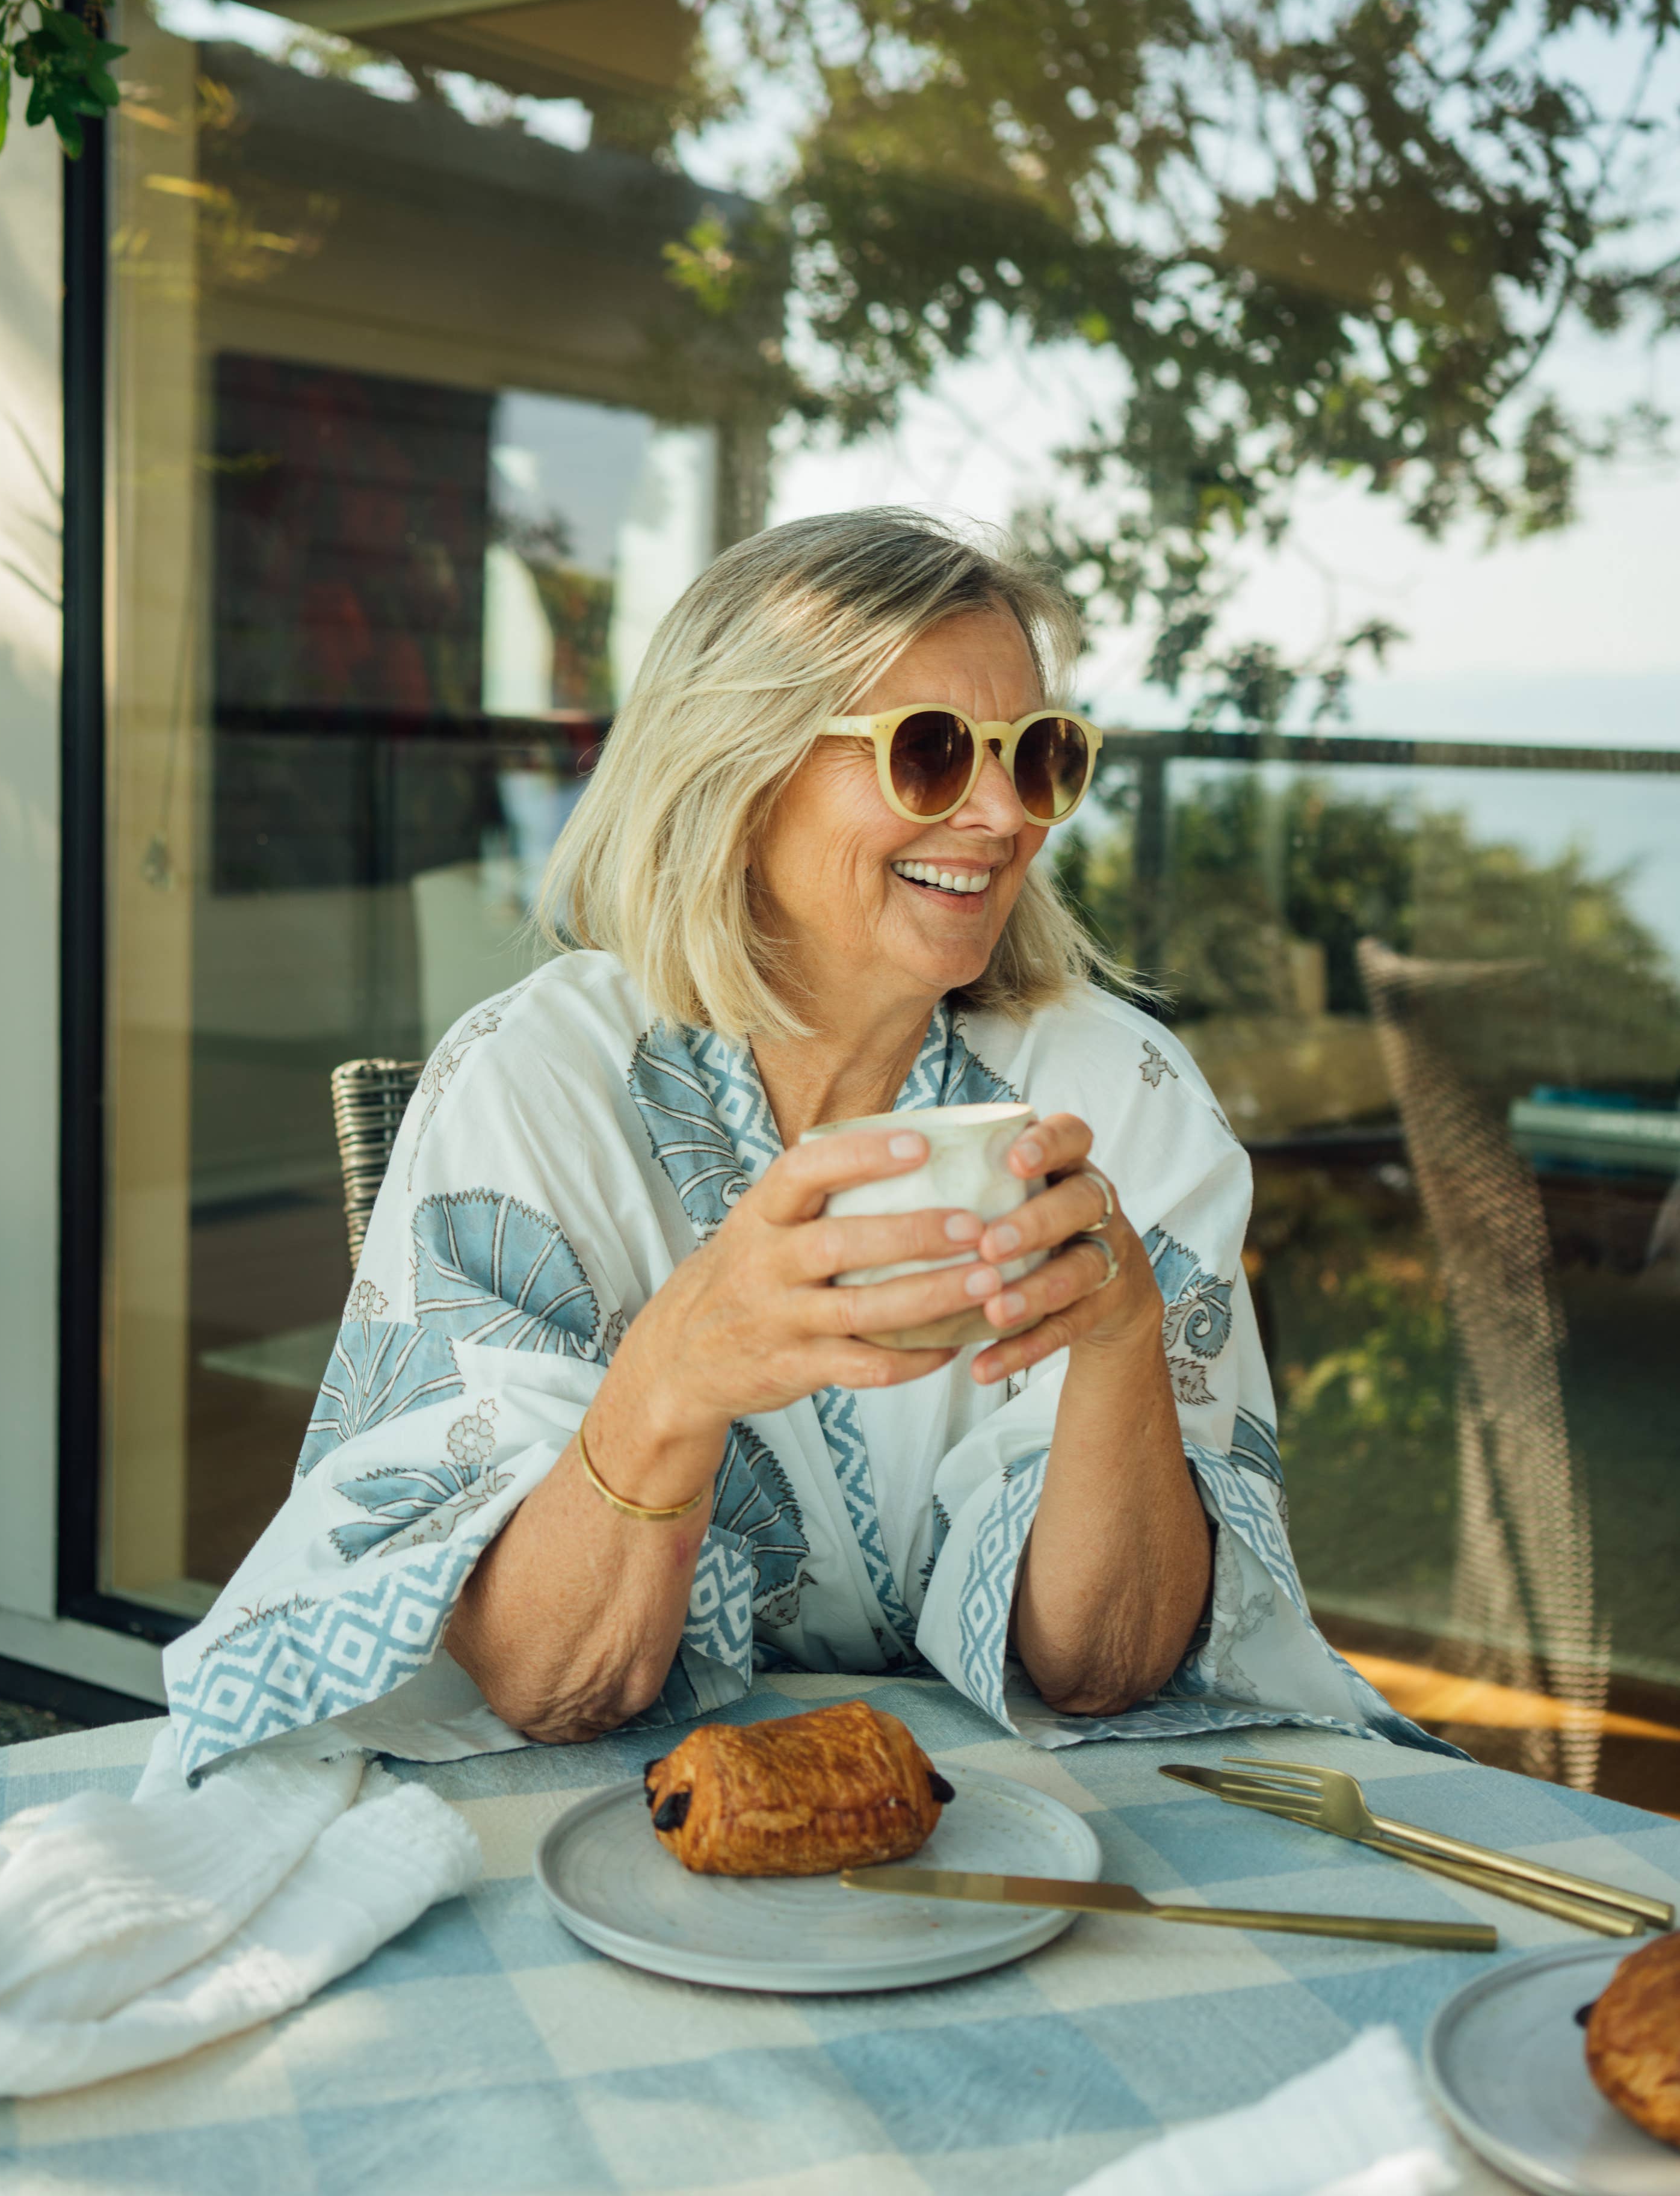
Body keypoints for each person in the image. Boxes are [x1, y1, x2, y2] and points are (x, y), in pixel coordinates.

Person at [168, 510, 1431, 1777]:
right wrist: (674, 1374)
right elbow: (554, 1685)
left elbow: (1105, 1670)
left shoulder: (1123, 1092)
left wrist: (1117, 1345)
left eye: (1034, 753)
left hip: (1016, 1804)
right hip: (602, 1816)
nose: (1002, 815)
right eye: (929, 754)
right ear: (738, 773)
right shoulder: (536, 1083)